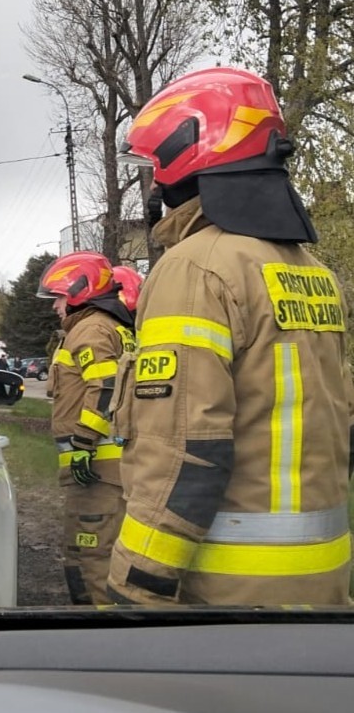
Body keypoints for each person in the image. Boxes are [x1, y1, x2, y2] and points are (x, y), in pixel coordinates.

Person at [107, 66, 354, 605]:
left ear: (184, 155)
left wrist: (136, 584)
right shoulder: (314, 273)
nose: (153, 182)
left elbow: (182, 449)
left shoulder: (196, 269)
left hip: (230, 595)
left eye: (152, 167)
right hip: (325, 584)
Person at [37, 251, 136, 604]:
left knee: (91, 555)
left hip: (96, 471)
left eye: (59, 297)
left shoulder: (91, 329)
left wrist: (83, 442)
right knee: (91, 551)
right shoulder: (108, 327)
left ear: (80, 290)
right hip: (104, 470)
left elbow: (105, 386)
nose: (54, 306)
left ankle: (99, 635)